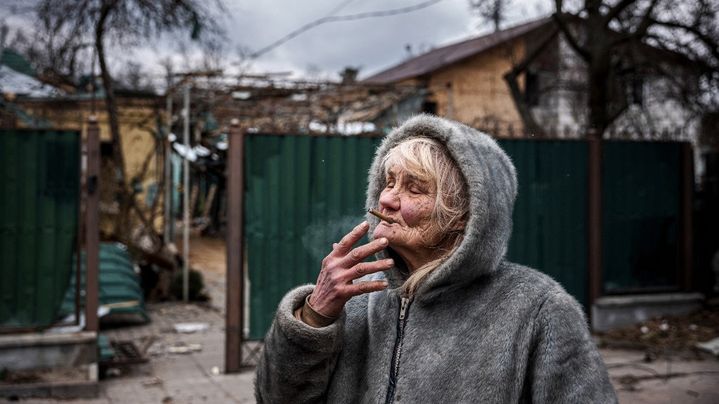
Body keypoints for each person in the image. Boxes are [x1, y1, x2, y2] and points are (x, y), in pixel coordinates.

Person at [255, 115, 617, 403]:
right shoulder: (355, 300)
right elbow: (275, 398)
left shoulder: (538, 310)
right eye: (389, 182)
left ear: (465, 214)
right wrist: (314, 316)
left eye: (415, 188)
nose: (387, 200)